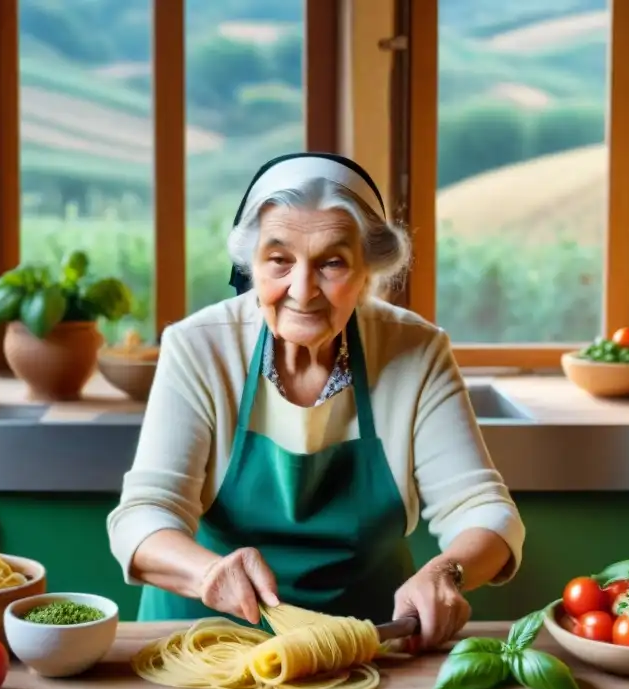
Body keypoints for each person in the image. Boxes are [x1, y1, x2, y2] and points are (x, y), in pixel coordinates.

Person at [107, 152, 525, 650]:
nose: (302, 291)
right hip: (203, 641)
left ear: (368, 270)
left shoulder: (415, 351)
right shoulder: (200, 347)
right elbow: (142, 515)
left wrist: (446, 571)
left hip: (365, 646)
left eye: (332, 263)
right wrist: (209, 573)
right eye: (279, 261)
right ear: (252, 264)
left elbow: (487, 512)